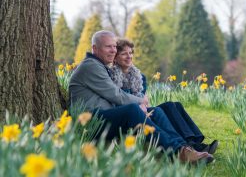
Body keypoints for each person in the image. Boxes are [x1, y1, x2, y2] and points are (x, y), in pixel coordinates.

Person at [69, 30, 213, 163]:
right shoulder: (91, 66)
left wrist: (142, 106)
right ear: (95, 49)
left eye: (114, 46)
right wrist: (141, 101)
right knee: (132, 110)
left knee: (155, 111)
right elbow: (117, 95)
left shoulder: (102, 66)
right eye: (108, 47)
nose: (113, 50)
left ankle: (184, 149)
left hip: (105, 117)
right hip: (91, 122)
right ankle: (177, 152)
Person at [109, 38, 218, 154]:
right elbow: (120, 100)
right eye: (124, 54)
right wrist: (142, 106)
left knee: (172, 105)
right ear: (115, 58)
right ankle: (186, 147)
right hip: (131, 113)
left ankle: (193, 142)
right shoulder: (112, 77)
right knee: (157, 110)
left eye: (130, 53)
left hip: (142, 109)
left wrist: (143, 106)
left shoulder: (140, 77)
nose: (129, 56)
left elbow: (144, 101)